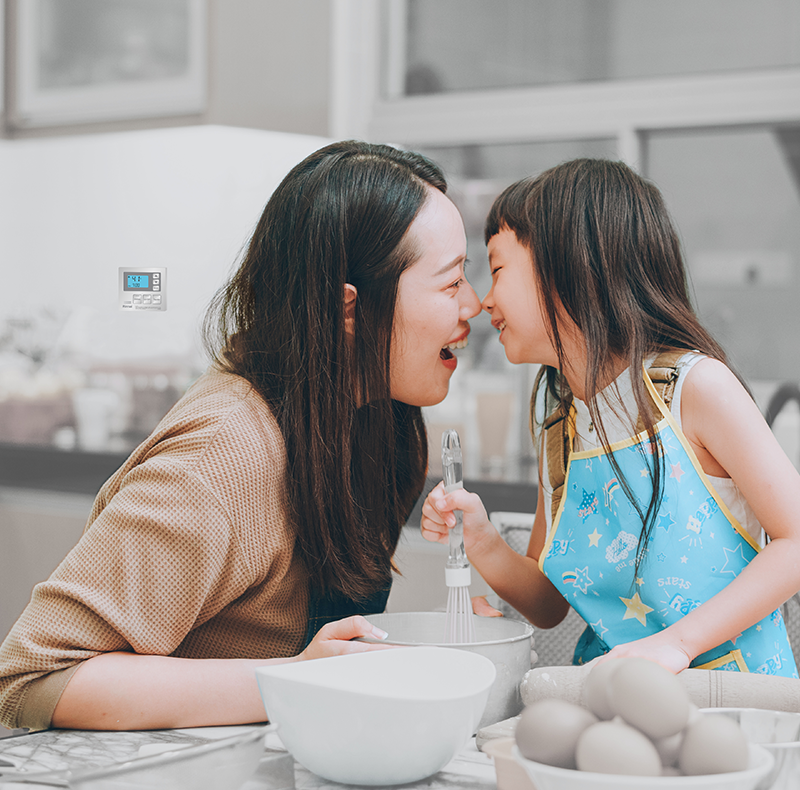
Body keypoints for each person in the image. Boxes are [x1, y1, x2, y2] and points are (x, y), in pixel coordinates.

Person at [0, 141, 482, 732]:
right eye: (451, 283)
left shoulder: (381, 426)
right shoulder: (221, 459)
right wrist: (294, 681)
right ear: (348, 308)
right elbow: (31, 679)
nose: (476, 304)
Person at [422, 158, 800, 678]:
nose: (484, 299)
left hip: (737, 710)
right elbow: (548, 603)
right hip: (618, 703)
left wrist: (678, 645)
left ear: (571, 267)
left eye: (499, 268)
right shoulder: (561, 430)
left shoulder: (695, 388)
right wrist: (482, 540)